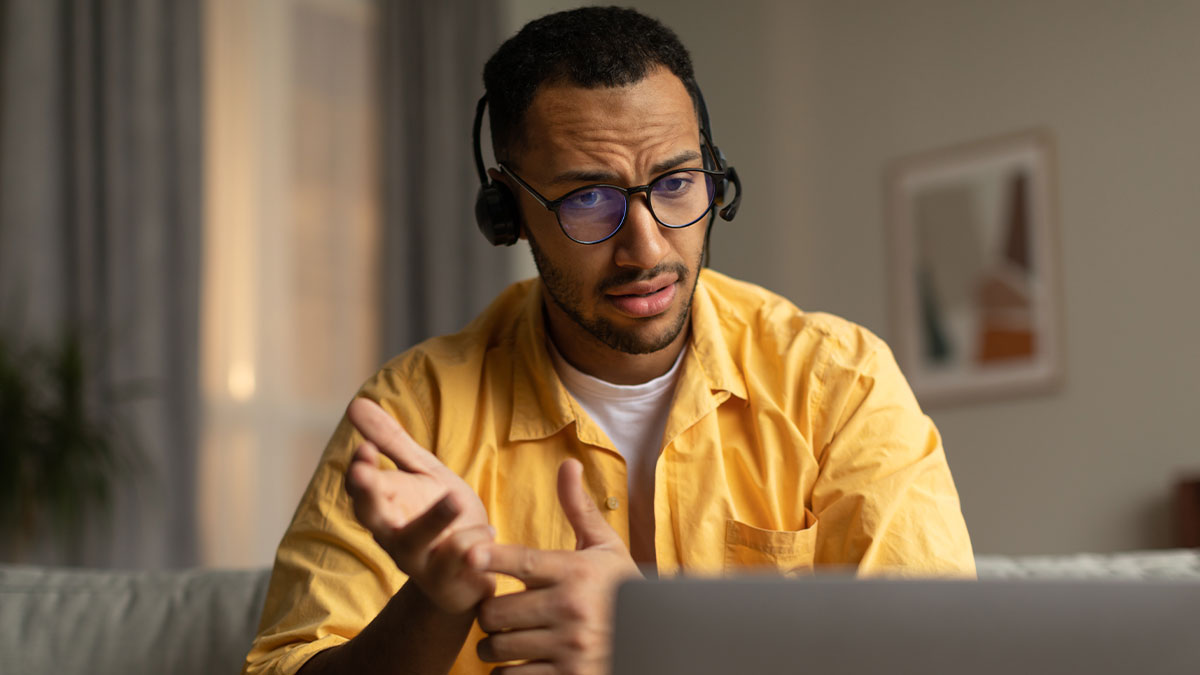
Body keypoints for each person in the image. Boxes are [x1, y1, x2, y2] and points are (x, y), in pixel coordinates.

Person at [242, 7, 974, 675]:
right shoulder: (412, 413)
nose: (647, 247)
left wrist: (657, 641)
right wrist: (435, 601)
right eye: (590, 198)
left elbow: (942, 654)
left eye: (678, 182)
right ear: (508, 211)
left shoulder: (838, 382)